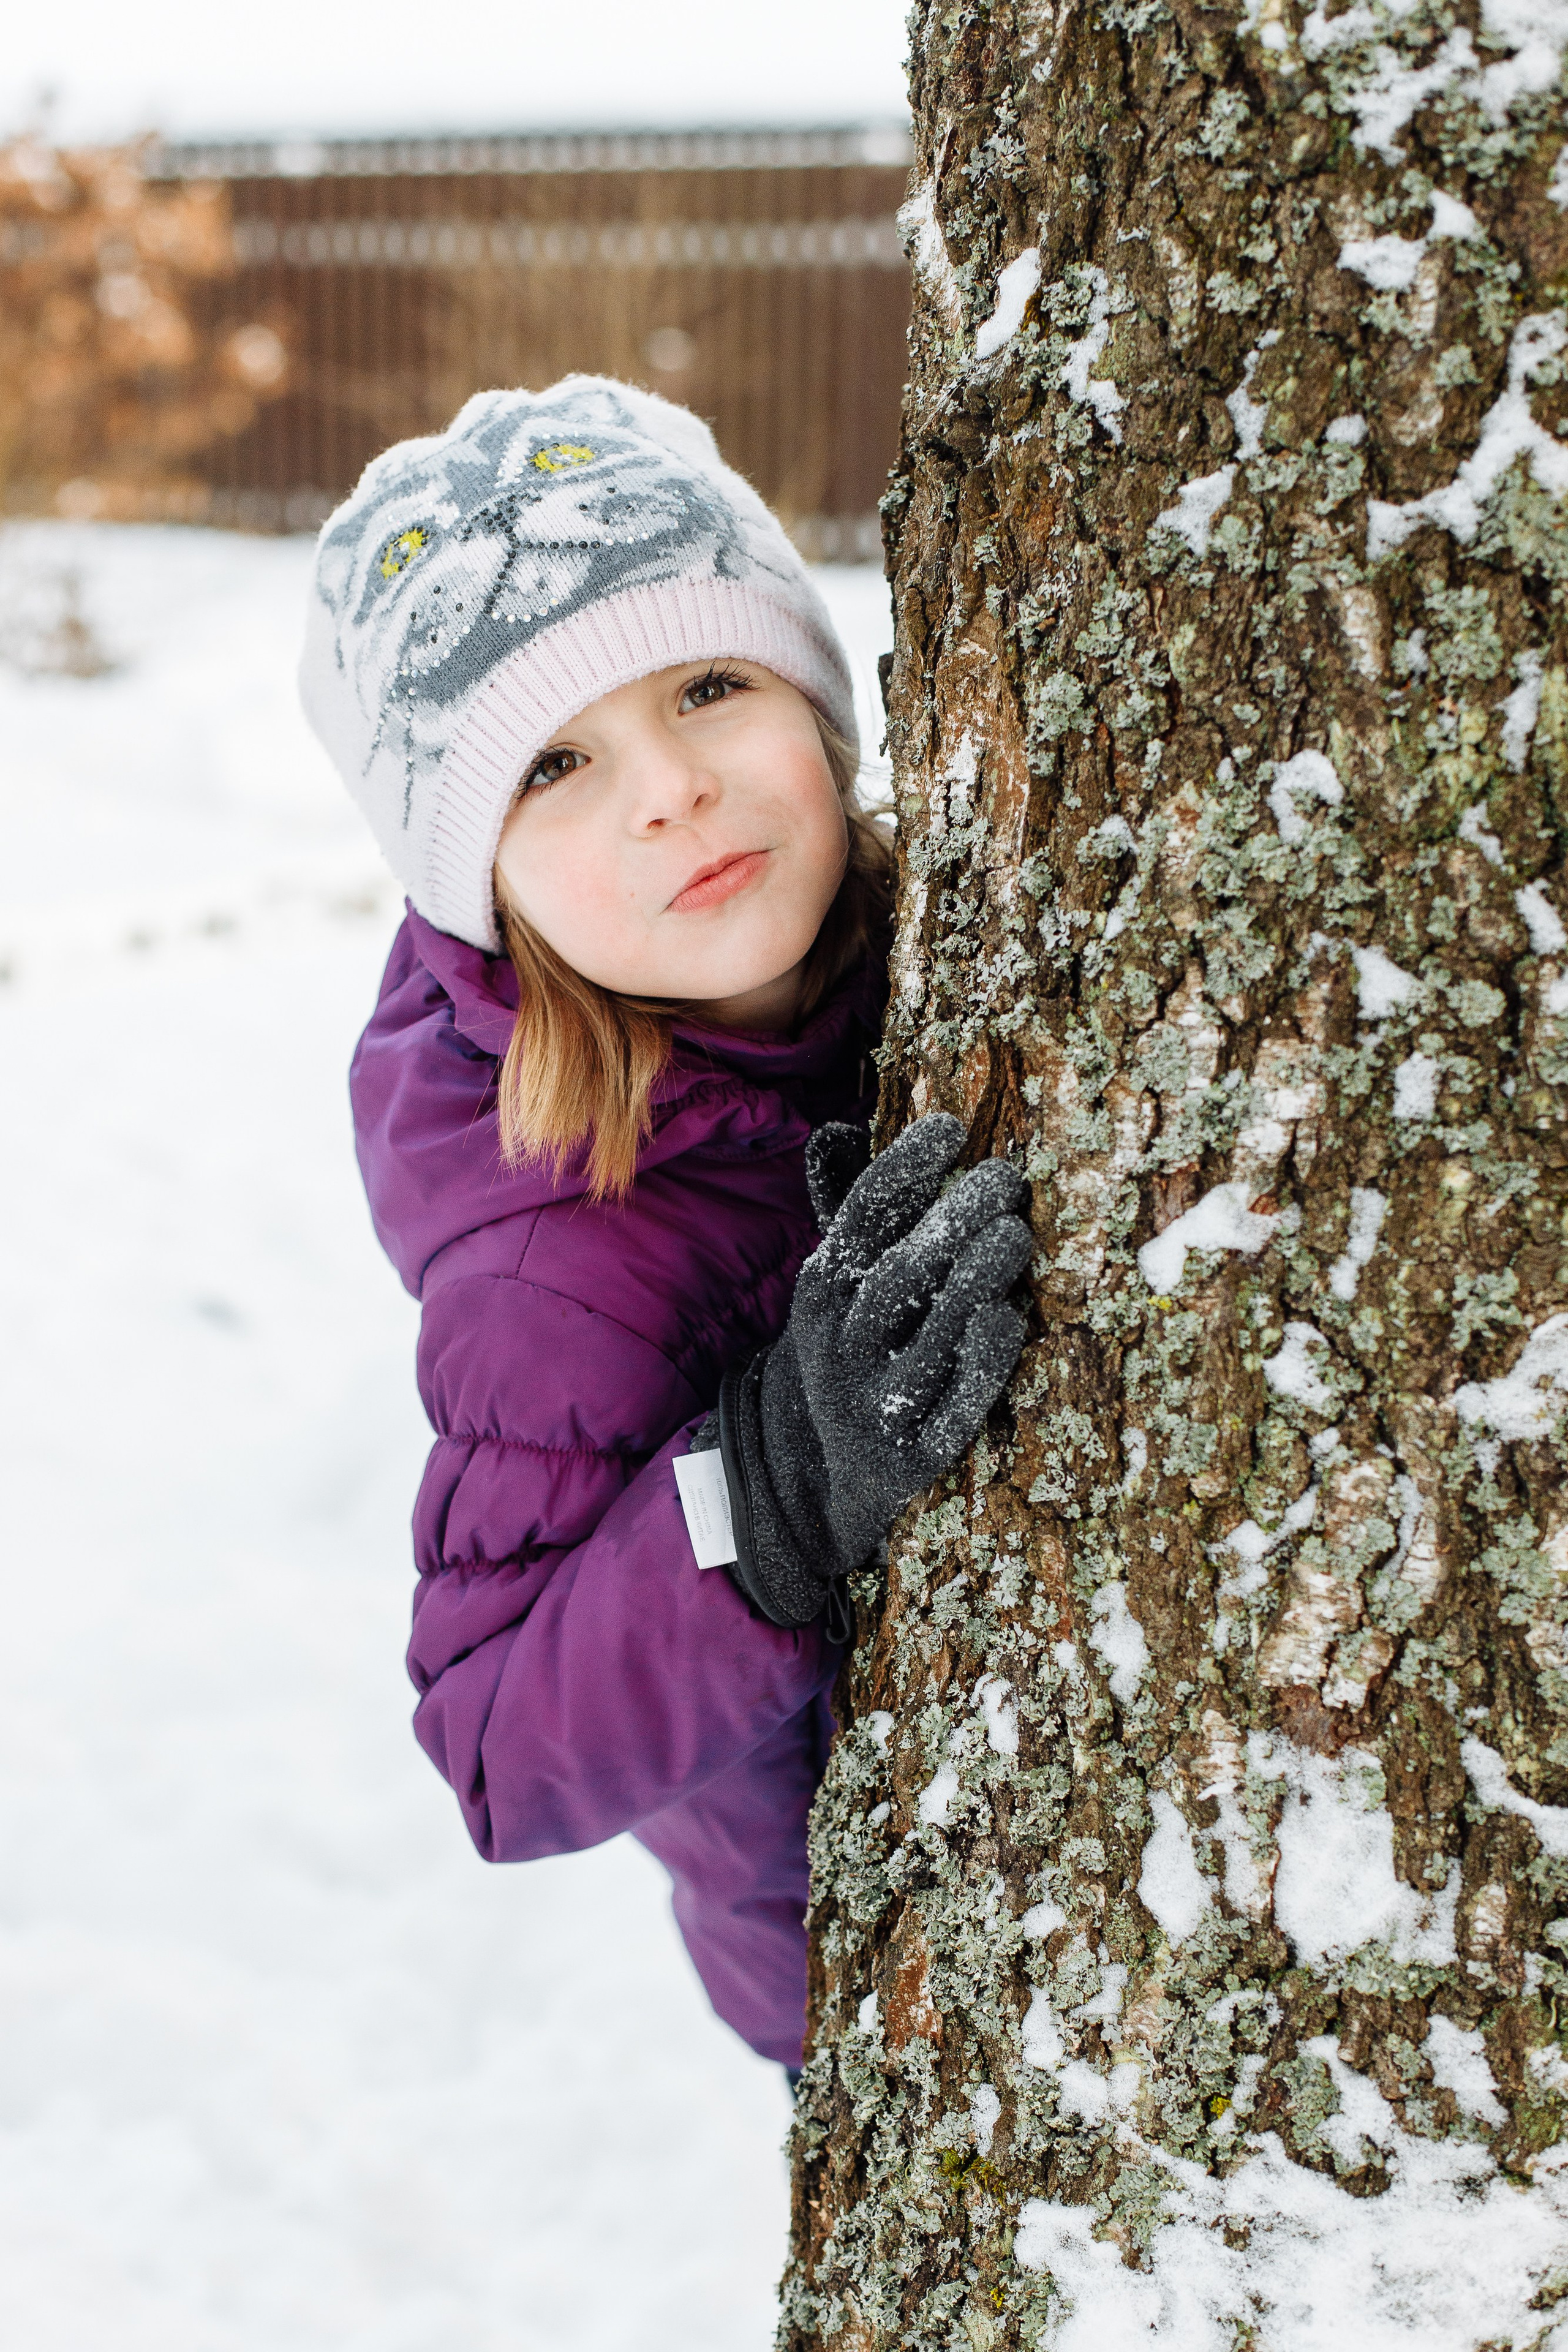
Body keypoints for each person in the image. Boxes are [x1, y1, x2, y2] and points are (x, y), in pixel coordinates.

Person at [300, 376, 1031, 2076]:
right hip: (872, 1955)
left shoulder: (902, 941)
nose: (675, 792)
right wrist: (772, 1481)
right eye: (553, 763)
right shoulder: (560, 1270)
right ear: (476, 883)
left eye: (710, 684)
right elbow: (495, 1744)